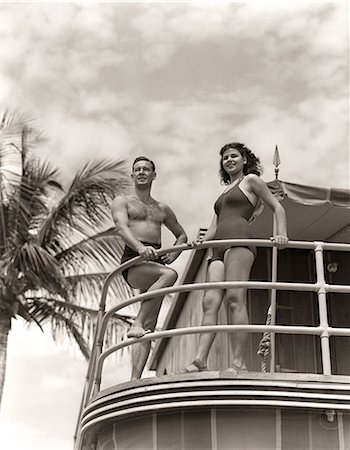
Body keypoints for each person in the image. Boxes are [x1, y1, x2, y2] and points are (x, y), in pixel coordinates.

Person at [183, 142, 288, 374]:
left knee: (234, 299)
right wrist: (198, 242)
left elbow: (277, 207)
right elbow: (214, 227)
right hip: (218, 246)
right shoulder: (222, 194)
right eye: (225, 158)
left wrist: (282, 234)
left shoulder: (250, 181)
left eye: (234, 156)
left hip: (240, 239)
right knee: (209, 302)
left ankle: (238, 362)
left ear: (244, 160)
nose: (229, 160)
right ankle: (200, 359)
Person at [112, 156, 188, 380]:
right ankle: (136, 322)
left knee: (149, 326)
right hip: (134, 259)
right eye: (138, 169)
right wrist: (139, 247)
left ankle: (134, 379)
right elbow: (121, 228)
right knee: (170, 275)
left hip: (155, 260)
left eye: (146, 169)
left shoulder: (162, 209)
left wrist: (173, 255)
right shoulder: (122, 201)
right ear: (132, 175)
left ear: (154, 175)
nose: (142, 172)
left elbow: (181, 235)